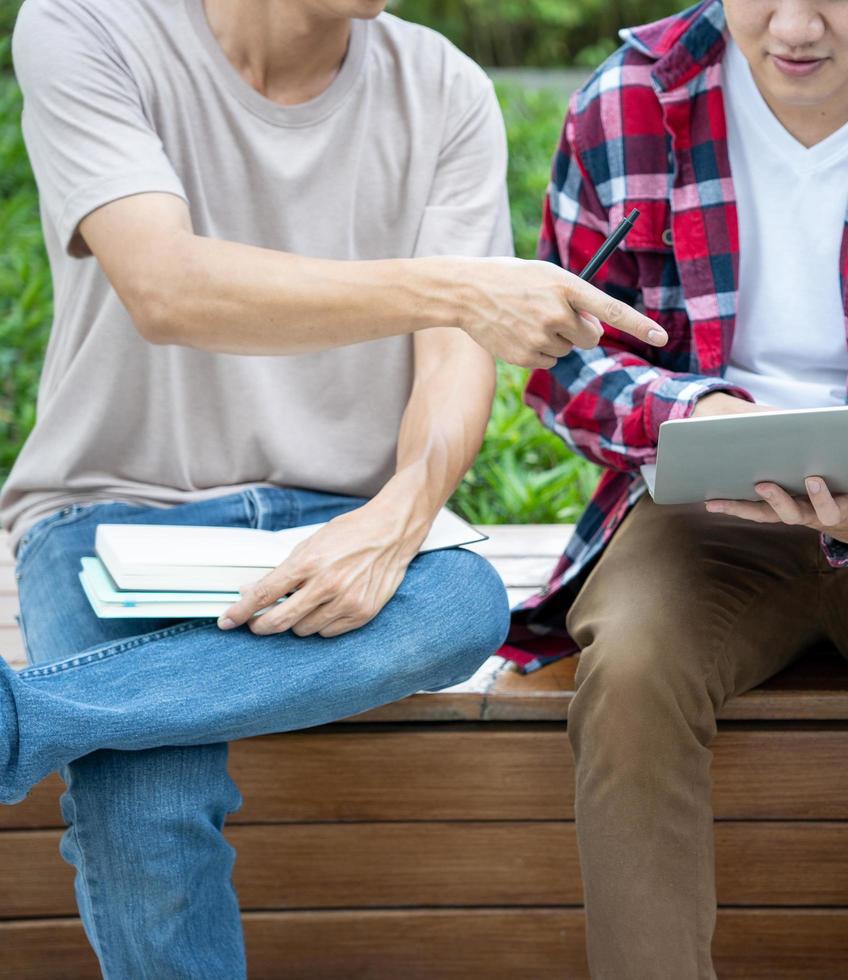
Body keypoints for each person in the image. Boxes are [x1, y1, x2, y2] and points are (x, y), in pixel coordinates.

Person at [0, 0, 664, 975]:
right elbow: (168, 287)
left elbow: (451, 364)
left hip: (340, 514)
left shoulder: (445, 90)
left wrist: (400, 515)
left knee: (463, 601)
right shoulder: (85, 28)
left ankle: (22, 718)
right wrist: (460, 286)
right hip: (111, 503)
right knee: (146, 795)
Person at [504, 0, 848, 976]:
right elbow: (563, 366)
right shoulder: (627, 102)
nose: (794, 25)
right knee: (631, 664)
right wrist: (695, 415)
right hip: (704, 513)